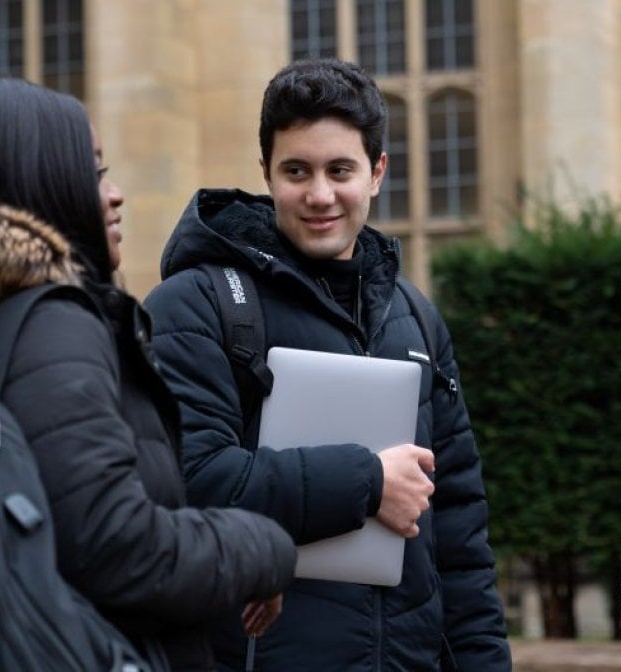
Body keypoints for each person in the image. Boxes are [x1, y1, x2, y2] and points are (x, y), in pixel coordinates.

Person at [0, 72, 296, 671]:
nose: (116, 193)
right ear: (32, 183)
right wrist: (266, 545)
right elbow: (116, 549)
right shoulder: (51, 323)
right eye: (95, 171)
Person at [144, 58, 512, 671]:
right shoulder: (195, 304)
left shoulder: (414, 315)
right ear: (266, 173)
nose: (319, 195)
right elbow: (189, 483)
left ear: (377, 173)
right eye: (296, 171)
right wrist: (368, 482)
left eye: (340, 169)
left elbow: (460, 533)